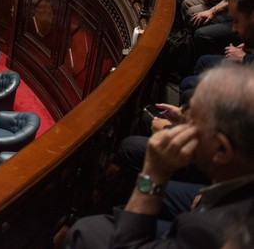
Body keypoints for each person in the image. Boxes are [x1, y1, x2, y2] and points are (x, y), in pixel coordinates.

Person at [64, 63, 254, 249]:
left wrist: (154, 172)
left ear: (221, 149)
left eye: (193, 120)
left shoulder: (214, 232)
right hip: (213, 203)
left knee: (85, 232)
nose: (182, 125)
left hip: (201, 223)